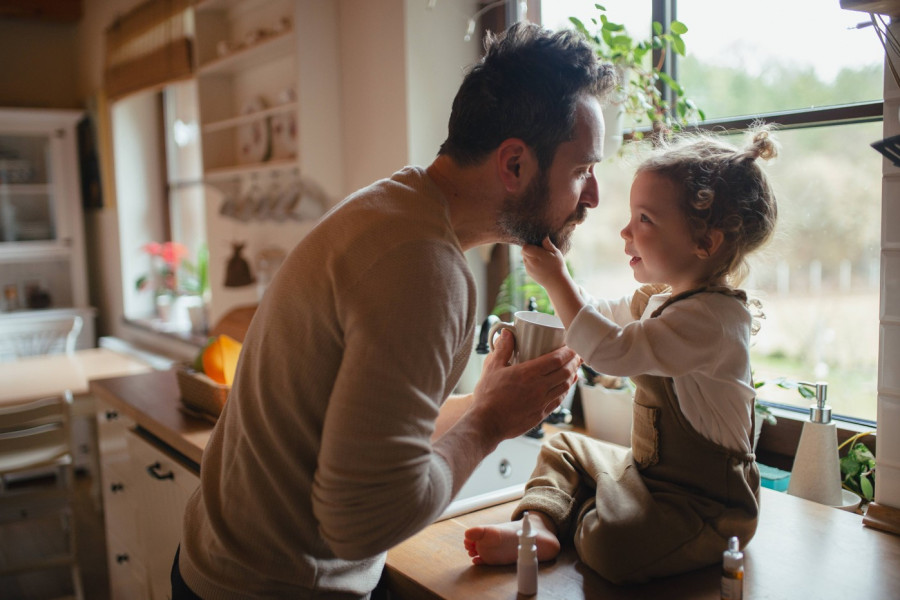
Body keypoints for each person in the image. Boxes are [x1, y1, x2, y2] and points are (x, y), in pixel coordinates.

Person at [172, 22, 617, 599]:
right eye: (582, 170)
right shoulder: (424, 271)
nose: (593, 196)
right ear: (513, 164)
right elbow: (360, 520)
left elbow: (372, 437)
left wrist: (484, 403)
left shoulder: (395, 208)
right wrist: (489, 423)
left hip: (222, 565)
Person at [463, 127, 779, 584]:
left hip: (706, 508)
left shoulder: (712, 321)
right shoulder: (663, 300)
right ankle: (538, 527)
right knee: (562, 445)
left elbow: (612, 351)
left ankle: (568, 516)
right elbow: (595, 317)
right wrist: (556, 271)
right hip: (647, 479)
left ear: (705, 242)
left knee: (609, 549)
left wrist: (557, 280)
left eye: (645, 219)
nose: (625, 230)